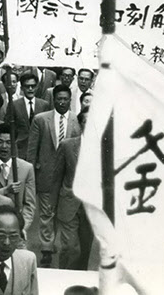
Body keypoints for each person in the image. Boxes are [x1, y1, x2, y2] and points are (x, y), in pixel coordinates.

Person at [27, 84, 81, 267]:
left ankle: (63, 246)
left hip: (67, 177)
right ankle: (47, 249)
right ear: (54, 99)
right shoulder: (41, 120)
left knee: (63, 212)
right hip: (46, 173)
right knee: (46, 212)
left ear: (70, 100)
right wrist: (31, 169)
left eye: (66, 99)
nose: (62, 102)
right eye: (59, 99)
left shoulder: (76, 120)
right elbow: (33, 147)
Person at [53, 109, 93, 270]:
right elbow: (57, 176)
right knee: (69, 247)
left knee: (86, 249)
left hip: (91, 206)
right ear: (80, 124)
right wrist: (52, 204)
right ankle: (64, 277)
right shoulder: (67, 145)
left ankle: (80, 281)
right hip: (69, 202)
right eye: (86, 121)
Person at [0, 123, 36, 237]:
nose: (4, 146)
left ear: (15, 144)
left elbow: (29, 205)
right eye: (0, 142)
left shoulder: (27, 168)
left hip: (16, 228)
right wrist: (5, 190)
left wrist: (22, 228)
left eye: (9, 142)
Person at [12, 73, 50, 159]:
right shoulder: (14, 105)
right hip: (20, 150)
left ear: (37, 87)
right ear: (21, 88)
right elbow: (10, 128)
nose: (30, 89)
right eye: (27, 86)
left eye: (33, 86)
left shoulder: (44, 105)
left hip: (39, 150)